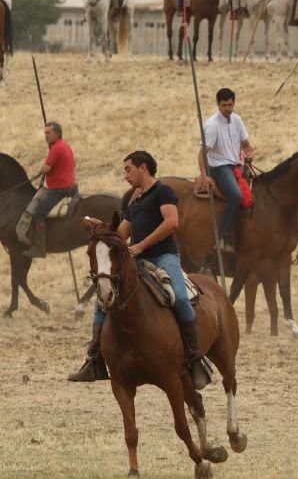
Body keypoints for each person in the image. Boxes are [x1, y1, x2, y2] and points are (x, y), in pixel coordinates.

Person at [69, 151, 209, 389]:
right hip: (138, 259)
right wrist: (100, 228)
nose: (125, 175)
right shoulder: (136, 201)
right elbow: (121, 235)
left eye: (128, 169)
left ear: (143, 168)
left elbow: (172, 222)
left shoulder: (162, 192)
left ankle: (195, 358)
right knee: (103, 298)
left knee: (180, 296)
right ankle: (94, 360)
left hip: (164, 257)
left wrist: (141, 245)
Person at [200, 88, 254, 253]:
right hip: (219, 167)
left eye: (230, 105)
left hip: (236, 164)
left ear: (234, 103)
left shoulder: (237, 120)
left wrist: (249, 153)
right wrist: (204, 175)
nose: (227, 108)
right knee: (236, 196)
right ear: (218, 104)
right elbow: (202, 153)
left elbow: (246, 144)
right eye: (223, 105)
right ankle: (223, 236)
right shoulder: (212, 125)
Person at [19, 122, 76, 258]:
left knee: (38, 213)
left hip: (58, 189)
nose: (45, 136)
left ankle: (39, 248)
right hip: (68, 185)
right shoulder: (64, 145)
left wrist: (42, 168)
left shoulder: (56, 148)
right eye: (44, 133)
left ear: (57, 133)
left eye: (48, 133)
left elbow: (45, 169)